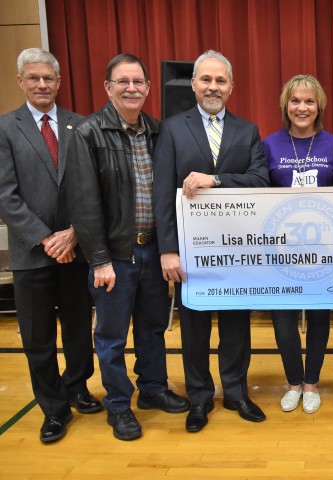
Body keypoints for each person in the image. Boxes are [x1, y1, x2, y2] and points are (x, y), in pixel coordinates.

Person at [66, 53, 189, 441]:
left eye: (138, 81)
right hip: (114, 258)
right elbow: (84, 205)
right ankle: (119, 405)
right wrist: (99, 260)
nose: (132, 88)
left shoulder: (158, 131)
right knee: (112, 337)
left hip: (153, 251)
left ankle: (153, 389)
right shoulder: (88, 134)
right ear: (108, 87)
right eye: (123, 81)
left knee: (153, 329)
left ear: (149, 88)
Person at [153, 50, 270, 433]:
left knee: (237, 325)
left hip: (237, 252)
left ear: (231, 87)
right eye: (206, 80)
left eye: (221, 81)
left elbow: (260, 181)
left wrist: (215, 180)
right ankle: (200, 397)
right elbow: (161, 193)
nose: (213, 87)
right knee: (195, 329)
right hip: (191, 253)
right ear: (193, 84)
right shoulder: (171, 128)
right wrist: (168, 249)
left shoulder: (247, 130)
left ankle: (236, 392)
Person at [0, 48, 100, 443]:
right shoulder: (6, 128)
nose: (42, 85)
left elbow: (93, 188)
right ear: (21, 81)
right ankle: (53, 409)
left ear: (58, 82)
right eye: (34, 78)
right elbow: (5, 195)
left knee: (78, 329)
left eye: (49, 78)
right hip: (32, 254)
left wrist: (75, 232)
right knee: (37, 338)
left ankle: (77, 387)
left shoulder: (81, 126)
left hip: (76, 249)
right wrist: (46, 238)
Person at [262, 74, 333, 414]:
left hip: (322, 252)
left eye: (309, 101)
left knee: (318, 318)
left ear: (319, 107)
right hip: (280, 253)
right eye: (296, 101)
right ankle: (293, 382)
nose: (302, 107)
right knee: (283, 321)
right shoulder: (269, 145)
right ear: (286, 105)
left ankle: (311, 382)